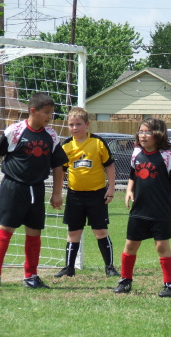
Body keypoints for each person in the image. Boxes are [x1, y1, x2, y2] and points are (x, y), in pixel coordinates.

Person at [0, 92, 68, 289]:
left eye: (51, 113)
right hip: (13, 187)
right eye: (47, 113)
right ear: (33, 111)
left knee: (34, 232)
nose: (50, 117)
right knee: (6, 229)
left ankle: (31, 276)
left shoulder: (51, 135)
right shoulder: (15, 131)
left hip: (37, 189)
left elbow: (58, 166)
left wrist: (57, 193)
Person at [113, 118, 171, 297]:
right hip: (139, 210)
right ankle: (125, 280)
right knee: (130, 245)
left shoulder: (167, 156)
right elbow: (132, 175)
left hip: (160, 210)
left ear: (158, 135)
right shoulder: (136, 153)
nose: (143, 136)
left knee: (161, 246)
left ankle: (170, 286)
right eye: (141, 131)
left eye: (148, 132)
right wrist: (129, 191)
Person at [54, 107, 119, 278]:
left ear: (87, 125)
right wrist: (58, 192)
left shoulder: (97, 143)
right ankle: (69, 268)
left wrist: (111, 189)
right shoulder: (66, 145)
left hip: (97, 194)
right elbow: (60, 170)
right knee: (73, 232)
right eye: (71, 124)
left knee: (100, 231)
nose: (74, 128)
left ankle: (110, 267)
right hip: (75, 195)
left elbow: (109, 166)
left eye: (78, 124)